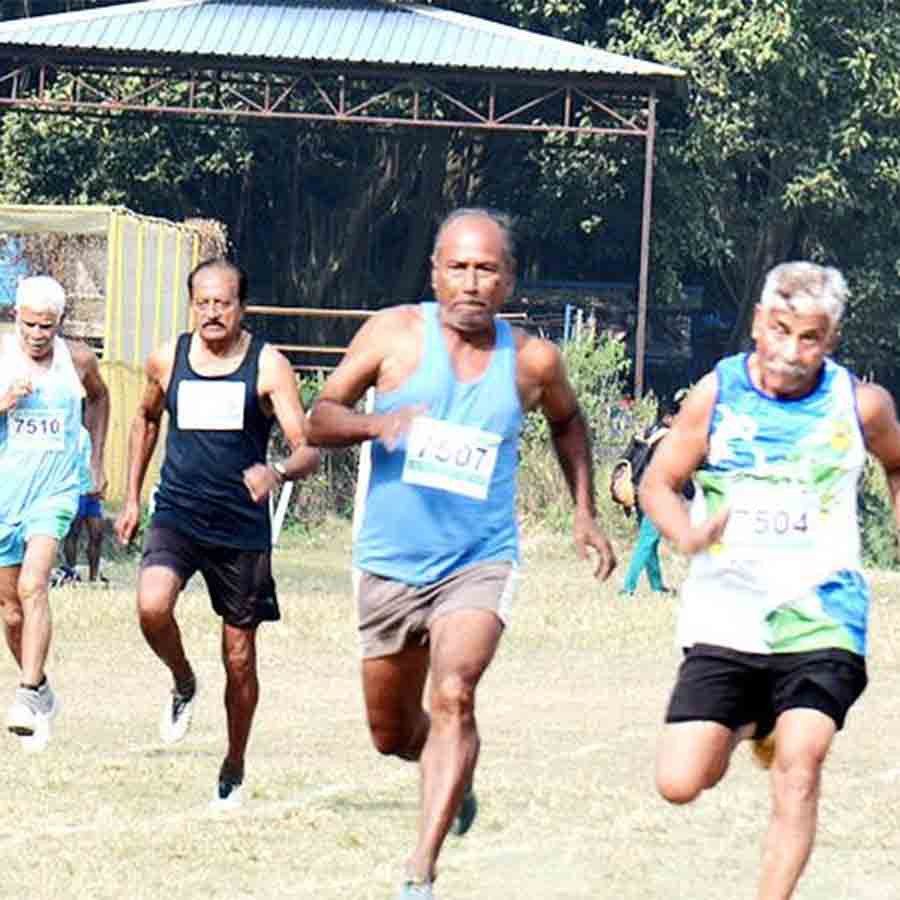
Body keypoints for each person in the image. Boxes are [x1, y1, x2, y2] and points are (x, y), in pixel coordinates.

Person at [305, 208, 616, 900]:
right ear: (435, 272)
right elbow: (318, 417)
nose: (471, 283)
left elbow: (568, 422)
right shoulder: (393, 335)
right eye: (458, 267)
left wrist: (585, 512)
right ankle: (454, 774)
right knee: (391, 733)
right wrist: (376, 422)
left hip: (480, 560)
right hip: (389, 561)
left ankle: (420, 870)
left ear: (509, 281)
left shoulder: (532, 361)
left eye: (487, 270)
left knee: (454, 693)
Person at [640, 261, 900, 900]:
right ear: (758, 322)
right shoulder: (717, 395)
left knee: (800, 765)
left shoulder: (860, 405)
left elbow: (898, 465)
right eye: (779, 331)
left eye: (808, 338)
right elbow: (658, 481)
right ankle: (759, 721)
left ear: (831, 339)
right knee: (680, 781)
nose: (790, 352)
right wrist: (686, 533)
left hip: (822, 612)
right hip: (727, 614)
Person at [114, 258, 320, 806]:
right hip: (178, 514)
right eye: (202, 302)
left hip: (240, 529)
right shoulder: (168, 357)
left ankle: (233, 762)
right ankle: (183, 682)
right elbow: (146, 419)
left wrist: (275, 471)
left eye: (222, 302)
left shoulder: (268, 366)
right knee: (152, 607)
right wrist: (134, 496)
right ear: (191, 306)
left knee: (240, 658)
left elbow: (308, 449)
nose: (212, 313)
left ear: (241, 307)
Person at [1, 275, 109, 750]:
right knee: (10, 612)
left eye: (46, 326)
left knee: (33, 585)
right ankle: (41, 688)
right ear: (15, 318)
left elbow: (101, 398)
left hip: (56, 493)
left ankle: (24, 696)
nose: (37, 335)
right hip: (6, 495)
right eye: (29, 325)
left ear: (59, 323)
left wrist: (97, 458)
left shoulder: (78, 360)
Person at [619, 408, 675, 595]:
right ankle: (628, 588)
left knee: (650, 541)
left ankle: (657, 586)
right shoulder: (668, 439)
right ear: (670, 417)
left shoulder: (646, 433)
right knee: (647, 541)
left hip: (638, 492)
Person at [57, 425, 106, 585]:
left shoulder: (87, 432)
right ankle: (71, 572)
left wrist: (100, 477)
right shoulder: (63, 430)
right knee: (74, 532)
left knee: (97, 533)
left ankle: (94, 577)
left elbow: (95, 457)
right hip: (74, 489)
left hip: (91, 488)